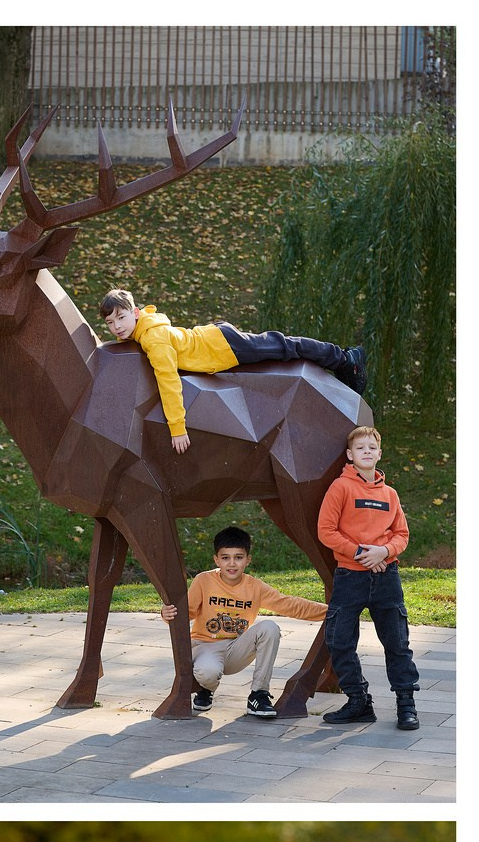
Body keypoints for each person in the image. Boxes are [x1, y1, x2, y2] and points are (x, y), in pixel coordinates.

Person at [96, 288, 366, 453]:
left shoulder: (153, 339)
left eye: (122, 317)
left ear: (136, 313)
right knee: (281, 347)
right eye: (110, 322)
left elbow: (168, 380)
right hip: (213, 338)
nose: (117, 326)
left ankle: (344, 359)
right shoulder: (142, 331)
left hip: (224, 346)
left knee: (284, 346)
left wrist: (177, 428)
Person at [159, 524, 328, 718]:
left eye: (238, 558)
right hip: (205, 645)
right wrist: (166, 614)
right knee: (208, 673)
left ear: (247, 560)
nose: (232, 564)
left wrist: (330, 611)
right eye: (225, 558)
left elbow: (290, 604)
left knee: (269, 628)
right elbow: (185, 612)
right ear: (216, 559)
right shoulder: (204, 580)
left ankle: (259, 695)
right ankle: (205, 688)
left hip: (235, 648)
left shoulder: (254, 587)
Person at [315, 426, 420, 730]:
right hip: (350, 576)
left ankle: (406, 703)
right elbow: (326, 531)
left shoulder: (390, 494)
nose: (366, 452)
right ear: (350, 455)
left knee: (397, 642)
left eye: (372, 448)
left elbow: (402, 534)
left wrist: (384, 552)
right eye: (360, 448)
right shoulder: (340, 488)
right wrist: (361, 553)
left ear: (379, 454)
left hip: (386, 577)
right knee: (339, 640)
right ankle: (358, 700)